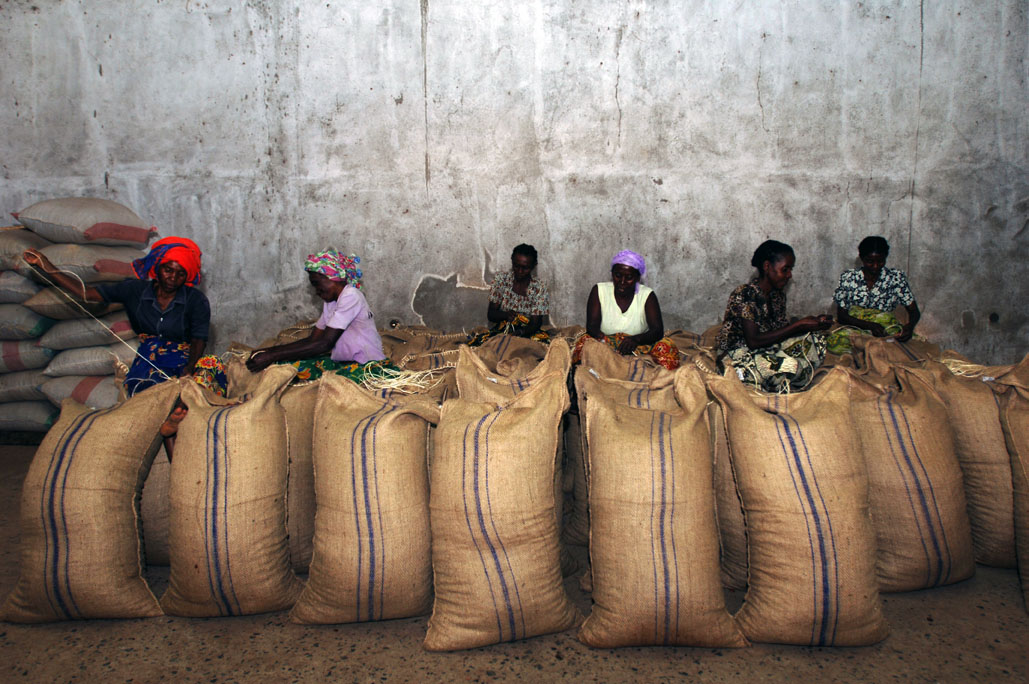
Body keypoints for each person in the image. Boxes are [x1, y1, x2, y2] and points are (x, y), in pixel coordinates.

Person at [23, 236, 226, 455]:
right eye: (168, 270)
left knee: (207, 375)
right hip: (151, 358)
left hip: (185, 356)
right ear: (157, 268)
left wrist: (189, 367)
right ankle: (173, 431)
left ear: (187, 276)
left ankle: (174, 424)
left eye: (180, 273)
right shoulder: (134, 291)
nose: (173, 277)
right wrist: (46, 266)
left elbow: (198, 338)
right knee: (155, 391)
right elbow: (87, 293)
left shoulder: (195, 300)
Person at [245, 249, 388, 383]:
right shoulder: (331, 302)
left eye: (316, 284)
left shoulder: (351, 296)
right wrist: (269, 351)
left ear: (334, 278)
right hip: (344, 361)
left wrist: (272, 355)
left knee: (328, 384)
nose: (316, 291)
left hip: (367, 364)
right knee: (289, 368)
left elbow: (325, 343)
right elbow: (314, 339)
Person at [715, 239, 833, 392]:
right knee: (786, 365)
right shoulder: (745, 294)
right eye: (785, 269)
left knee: (817, 340)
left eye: (791, 269)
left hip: (766, 349)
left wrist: (814, 323)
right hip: (738, 354)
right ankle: (756, 377)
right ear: (767, 266)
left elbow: (780, 331)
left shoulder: (777, 296)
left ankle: (780, 377)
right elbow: (753, 341)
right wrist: (798, 325)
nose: (789, 275)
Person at [573, 249, 680, 371]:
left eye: (629, 277)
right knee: (583, 343)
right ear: (612, 274)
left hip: (638, 347)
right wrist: (604, 342)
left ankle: (643, 374)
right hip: (605, 344)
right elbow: (592, 325)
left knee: (667, 346)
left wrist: (636, 339)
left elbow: (657, 330)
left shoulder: (647, 295)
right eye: (618, 276)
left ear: (637, 278)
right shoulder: (599, 290)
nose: (622, 282)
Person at [829, 235, 921, 354]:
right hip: (857, 327)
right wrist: (870, 326)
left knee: (904, 345)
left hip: (884, 329)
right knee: (835, 343)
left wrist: (910, 326)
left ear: (885, 258)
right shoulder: (849, 278)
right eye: (870, 261)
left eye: (880, 261)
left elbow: (914, 311)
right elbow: (842, 316)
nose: (875, 266)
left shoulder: (895, 278)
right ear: (862, 258)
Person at [480, 243, 550, 341]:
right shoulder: (502, 280)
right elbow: (491, 314)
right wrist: (506, 315)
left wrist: (521, 332)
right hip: (502, 331)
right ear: (512, 261)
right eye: (516, 266)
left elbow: (535, 323)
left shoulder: (539, 288)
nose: (520, 271)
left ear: (533, 266)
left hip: (527, 333)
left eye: (525, 268)